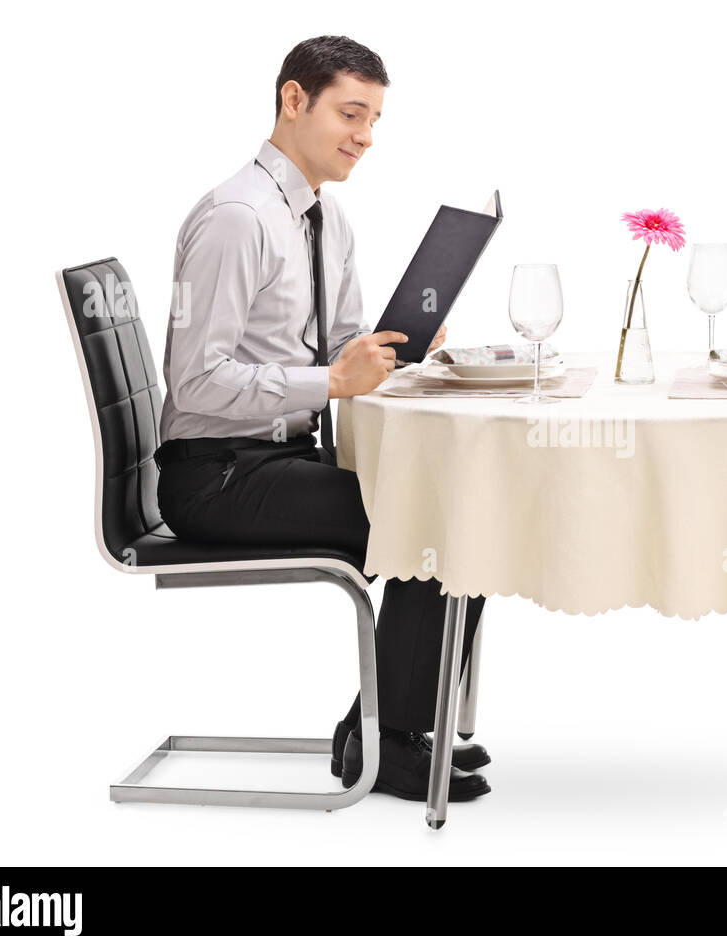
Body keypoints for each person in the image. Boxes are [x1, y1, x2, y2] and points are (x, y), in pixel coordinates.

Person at [153, 35, 491, 802]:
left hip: (277, 459)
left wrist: (392, 343)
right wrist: (334, 381)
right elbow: (196, 383)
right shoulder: (238, 218)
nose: (364, 137)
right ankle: (386, 743)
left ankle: (379, 730)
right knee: (440, 526)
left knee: (463, 513)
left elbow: (336, 346)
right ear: (293, 100)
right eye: (350, 112)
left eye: (374, 118)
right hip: (217, 477)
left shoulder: (325, 218)